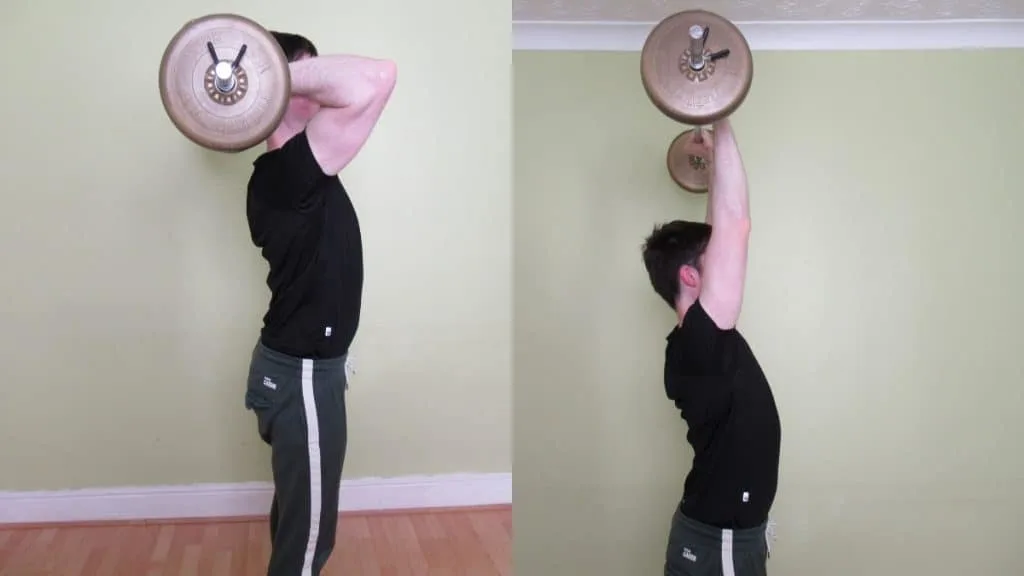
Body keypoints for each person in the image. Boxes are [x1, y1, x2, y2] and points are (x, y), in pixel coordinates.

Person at [241, 31, 397, 576]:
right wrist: (264, 77)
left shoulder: (301, 171)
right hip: (301, 373)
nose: (324, 89)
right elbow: (378, 76)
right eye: (308, 76)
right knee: (308, 543)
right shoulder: (288, 175)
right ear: (278, 90)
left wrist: (286, 77)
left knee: (297, 519)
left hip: (303, 369)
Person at [641, 118, 781, 576]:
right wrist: (721, 116)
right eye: (712, 259)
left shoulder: (697, 344)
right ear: (690, 277)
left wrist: (715, 147)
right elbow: (735, 224)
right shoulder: (699, 343)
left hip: (722, 538)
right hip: (717, 542)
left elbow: (721, 224)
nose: (727, 263)